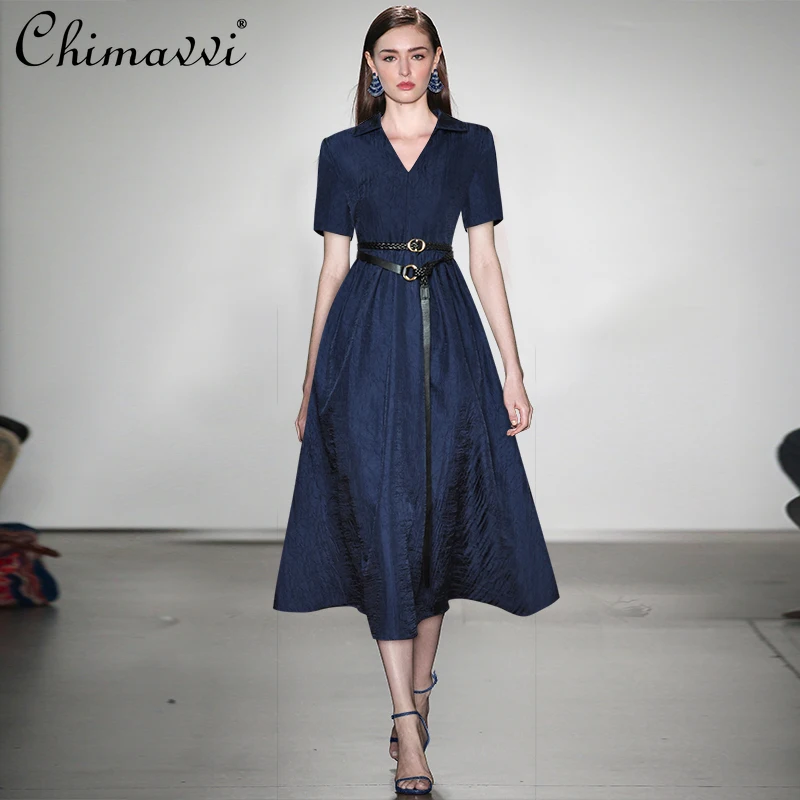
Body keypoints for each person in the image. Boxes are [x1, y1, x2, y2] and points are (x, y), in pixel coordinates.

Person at [273, 6, 560, 794]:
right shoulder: (343, 152)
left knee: (435, 521)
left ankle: (420, 695)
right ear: (370, 66)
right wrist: (310, 381)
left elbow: (486, 259)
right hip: (365, 341)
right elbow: (332, 269)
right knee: (382, 524)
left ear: (437, 61)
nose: (404, 69)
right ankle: (406, 725)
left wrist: (513, 370)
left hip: (448, 338)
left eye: (417, 54)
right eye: (389, 56)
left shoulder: (472, 144)